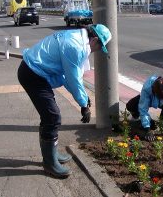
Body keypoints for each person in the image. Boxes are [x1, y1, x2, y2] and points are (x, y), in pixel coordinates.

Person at [17, 24, 112, 178]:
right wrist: (82, 104)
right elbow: (73, 78)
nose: (99, 51)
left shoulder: (76, 38)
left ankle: (52, 155)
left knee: (50, 116)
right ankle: (49, 163)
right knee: (52, 117)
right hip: (32, 74)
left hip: (36, 73)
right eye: (101, 47)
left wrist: (83, 100)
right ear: (94, 40)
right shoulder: (75, 46)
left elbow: (66, 77)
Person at [126, 75, 163, 142]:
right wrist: (147, 128)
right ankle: (139, 119)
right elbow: (143, 108)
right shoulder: (147, 88)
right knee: (131, 105)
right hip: (151, 100)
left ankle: (162, 120)